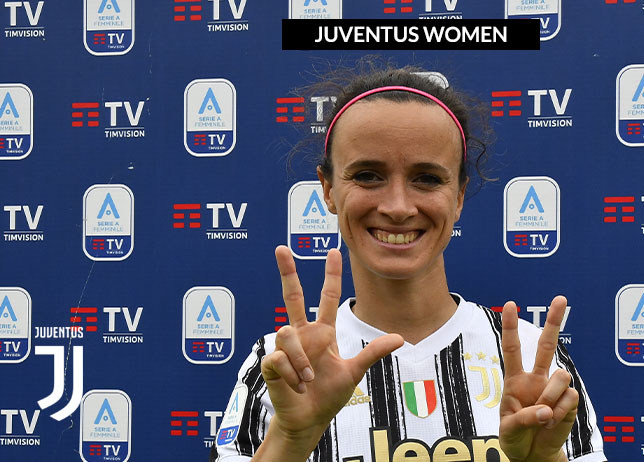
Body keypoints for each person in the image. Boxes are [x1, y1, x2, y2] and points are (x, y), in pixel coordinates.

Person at [211, 66, 607, 462]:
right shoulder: (282, 365)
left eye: (427, 179)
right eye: (368, 175)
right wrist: (290, 439)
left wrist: (543, 460)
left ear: (459, 197)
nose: (398, 207)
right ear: (328, 190)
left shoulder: (535, 359)